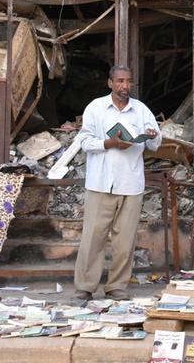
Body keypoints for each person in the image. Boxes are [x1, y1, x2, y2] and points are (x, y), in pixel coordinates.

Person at [74, 64, 162, 300]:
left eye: (128, 81)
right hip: (101, 182)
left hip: (131, 183)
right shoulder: (96, 108)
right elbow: (84, 141)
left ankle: (116, 286)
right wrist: (109, 143)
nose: (125, 86)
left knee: (125, 240)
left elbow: (155, 143)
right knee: (93, 237)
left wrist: (153, 135)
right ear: (110, 83)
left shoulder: (141, 110)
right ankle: (85, 286)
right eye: (120, 81)